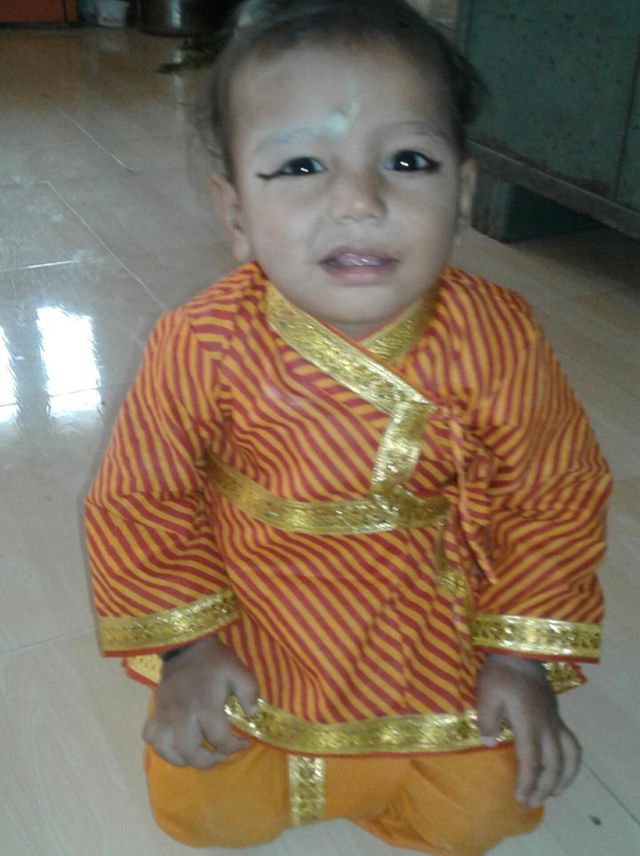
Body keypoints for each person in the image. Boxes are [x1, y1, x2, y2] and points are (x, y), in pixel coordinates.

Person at [84, 1, 612, 853]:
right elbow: (141, 497)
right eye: (301, 166)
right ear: (236, 215)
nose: (361, 202)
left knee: (488, 814)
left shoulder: (499, 334)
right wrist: (188, 650)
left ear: (462, 193)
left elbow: (552, 494)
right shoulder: (200, 340)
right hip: (256, 610)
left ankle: (391, 764)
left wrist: (518, 657)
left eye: (407, 161)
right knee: (203, 813)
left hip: (430, 620)